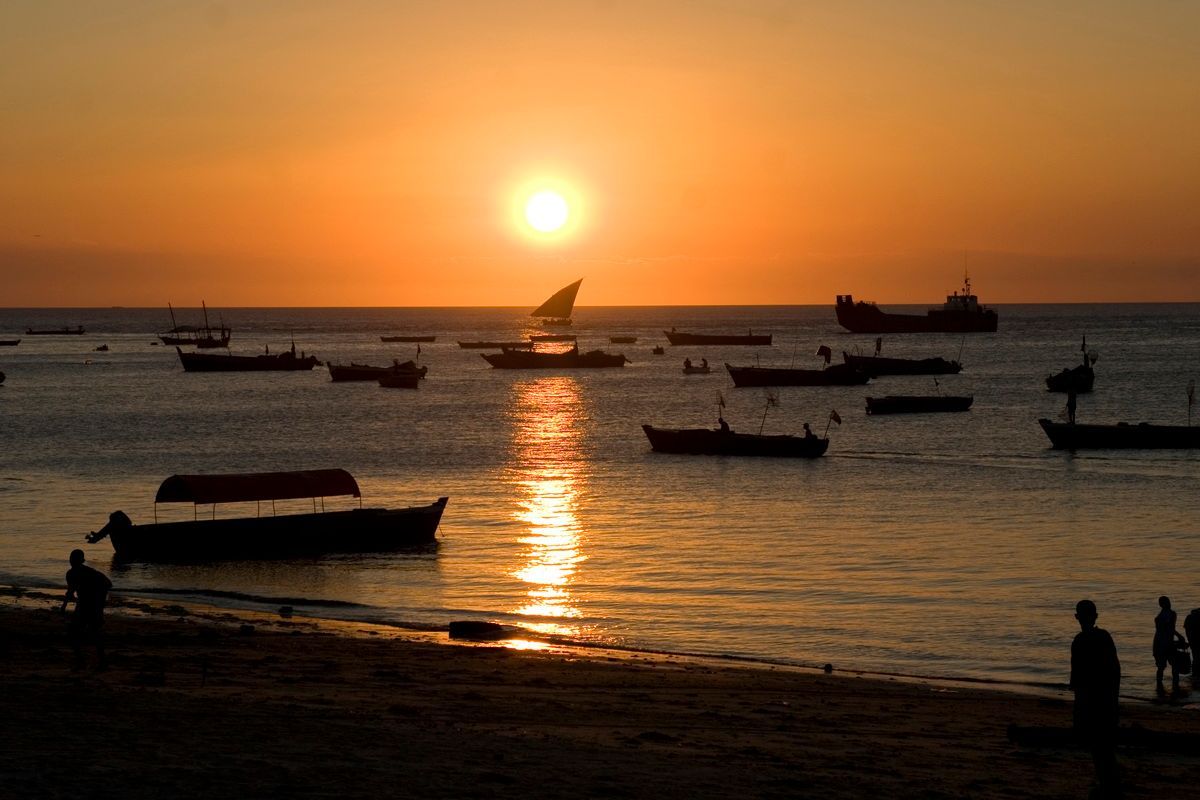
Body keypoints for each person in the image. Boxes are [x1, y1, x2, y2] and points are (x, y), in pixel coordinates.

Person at [1070, 599, 1121, 798]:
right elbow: (1115, 670)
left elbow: (1077, 680)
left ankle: (1107, 787)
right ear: (1096, 616)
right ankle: (1110, 786)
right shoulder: (1104, 637)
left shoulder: (1079, 641)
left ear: (1077, 618)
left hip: (1090, 702)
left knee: (1099, 749)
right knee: (1106, 748)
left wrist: (1078, 712)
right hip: (1107, 700)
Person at [60, 549, 112, 669]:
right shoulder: (72, 573)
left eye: (74, 559)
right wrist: (63, 606)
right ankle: (85, 659)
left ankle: (97, 660)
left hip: (91, 605)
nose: (72, 561)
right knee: (79, 632)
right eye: (71, 558)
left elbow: (108, 584)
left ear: (80, 561)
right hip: (84, 605)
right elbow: (71, 591)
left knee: (90, 632)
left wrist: (100, 600)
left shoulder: (90, 572)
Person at [1154, 596, 1180, 696]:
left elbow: (1167, 629)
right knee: (1174, 666)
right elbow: (1170, 629)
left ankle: (1159, 688)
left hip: (1160, 642)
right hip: (1165, 643)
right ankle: (1174, 687)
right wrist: (1179, 636)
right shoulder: (1171, 614)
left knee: (1162, 666)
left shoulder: (1161, 616)